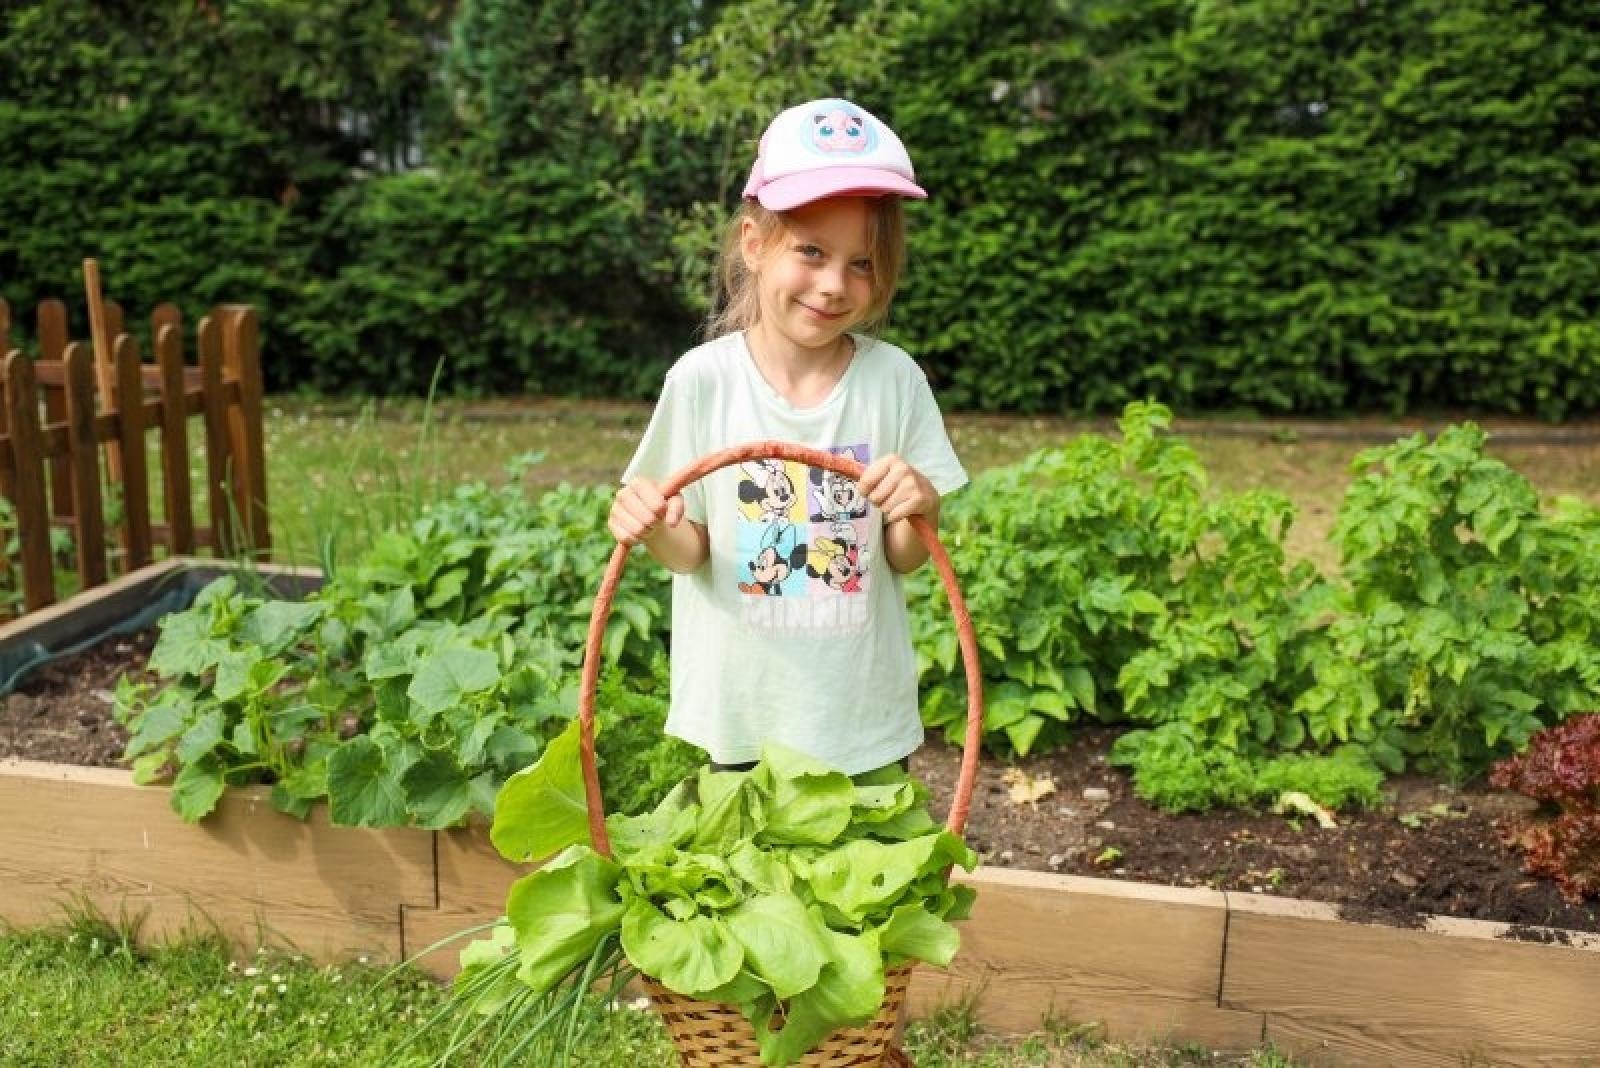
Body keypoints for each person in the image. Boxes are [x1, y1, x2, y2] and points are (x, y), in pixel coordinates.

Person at [608, 97, 967, 776]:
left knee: (870, 878)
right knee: (741, 879)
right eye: (811, 252)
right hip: (743, 719)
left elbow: (904, 557)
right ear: (754, 245)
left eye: (862, 264)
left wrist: (920, 504)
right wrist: (653, 524)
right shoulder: (703, 382)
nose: (834, 285)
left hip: (859, 722)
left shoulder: (893, 382)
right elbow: (690, 552)